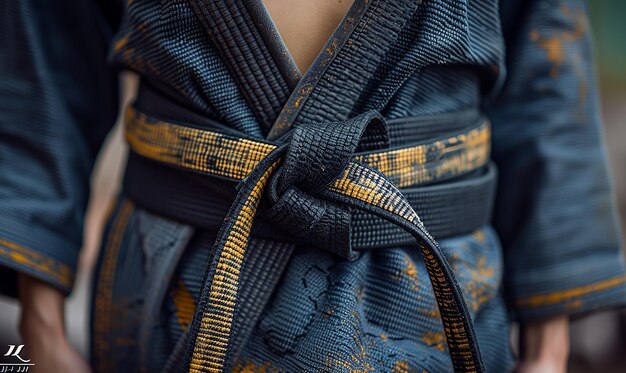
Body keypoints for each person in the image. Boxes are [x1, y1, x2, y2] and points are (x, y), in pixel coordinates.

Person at [1, 0, 624, 372]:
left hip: (431, 297)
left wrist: (548, 348)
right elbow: (41, 60)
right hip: (175, 290)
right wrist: (41, 331)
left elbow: (546, 89)